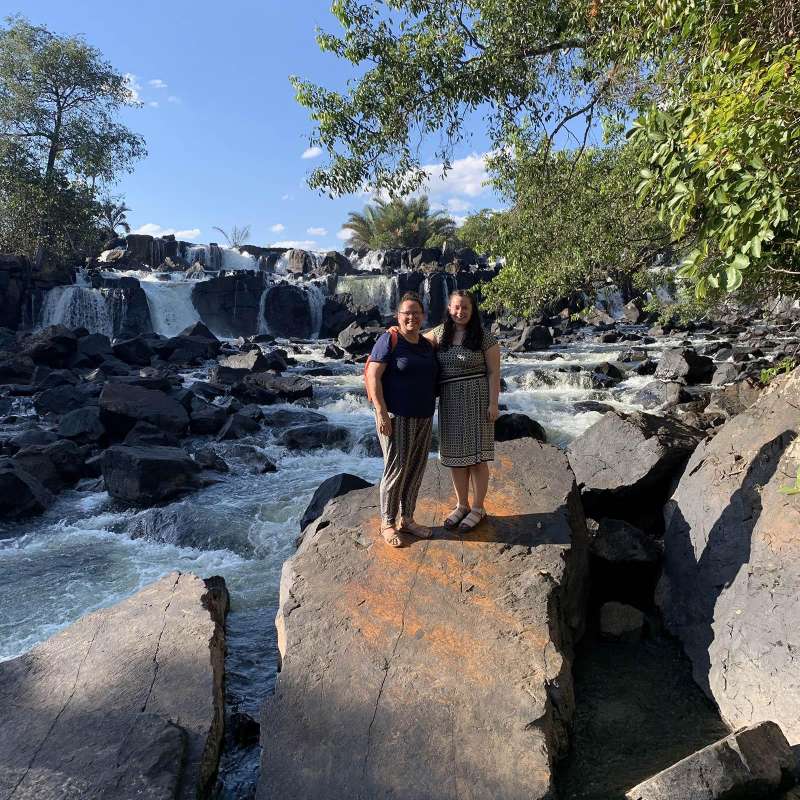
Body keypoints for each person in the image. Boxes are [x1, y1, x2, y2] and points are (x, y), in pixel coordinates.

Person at [365, 292, 438, 547]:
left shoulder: (427, 344)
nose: (411, 317)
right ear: (398, 316)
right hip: (396, 416)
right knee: (395, 470)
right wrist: (381, 411)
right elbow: (373, 375)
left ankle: (407, 519)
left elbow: (450, 329)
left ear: (423, 317)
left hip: (424, 416)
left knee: (416, 469)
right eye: (406, 313)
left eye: (416, 313)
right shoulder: (390, 339)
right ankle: (387, 522)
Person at [425, 290, 501, 531]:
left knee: (477, 459)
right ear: (449, 309)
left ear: (472, 310)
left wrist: (493, 403)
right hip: (450, 403)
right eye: (456, 307)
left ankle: (478, 508)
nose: (460, 312)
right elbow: (413, 341)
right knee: (456, 460)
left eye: (465, 308)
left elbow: (494, 372)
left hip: (477, 401)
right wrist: (393, 333)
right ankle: (461, 505)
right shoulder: (439, 333)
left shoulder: (484, 337)